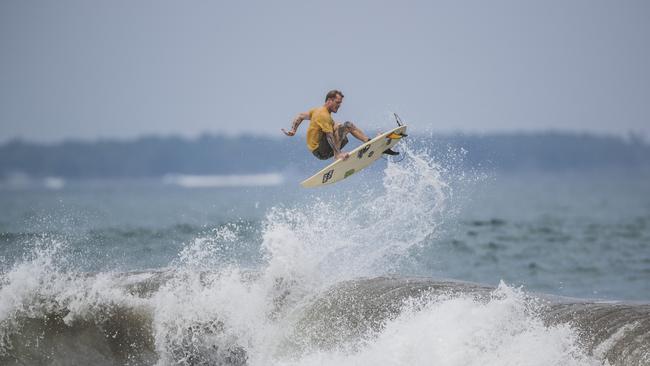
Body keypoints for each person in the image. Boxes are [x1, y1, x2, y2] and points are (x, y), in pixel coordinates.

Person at [282, 90, 398, 161]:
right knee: (346, 125)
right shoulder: (323, 115)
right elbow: (329, 136)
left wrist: (293, 130)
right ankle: (338, 154)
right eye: (337, 103)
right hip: (320, 151)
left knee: (339, 125)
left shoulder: (317, 111)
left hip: (318, 148)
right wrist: (337, 153)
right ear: (329, 101)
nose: (339, 106)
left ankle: (369, 141)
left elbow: (301, 116)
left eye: (340, 103)